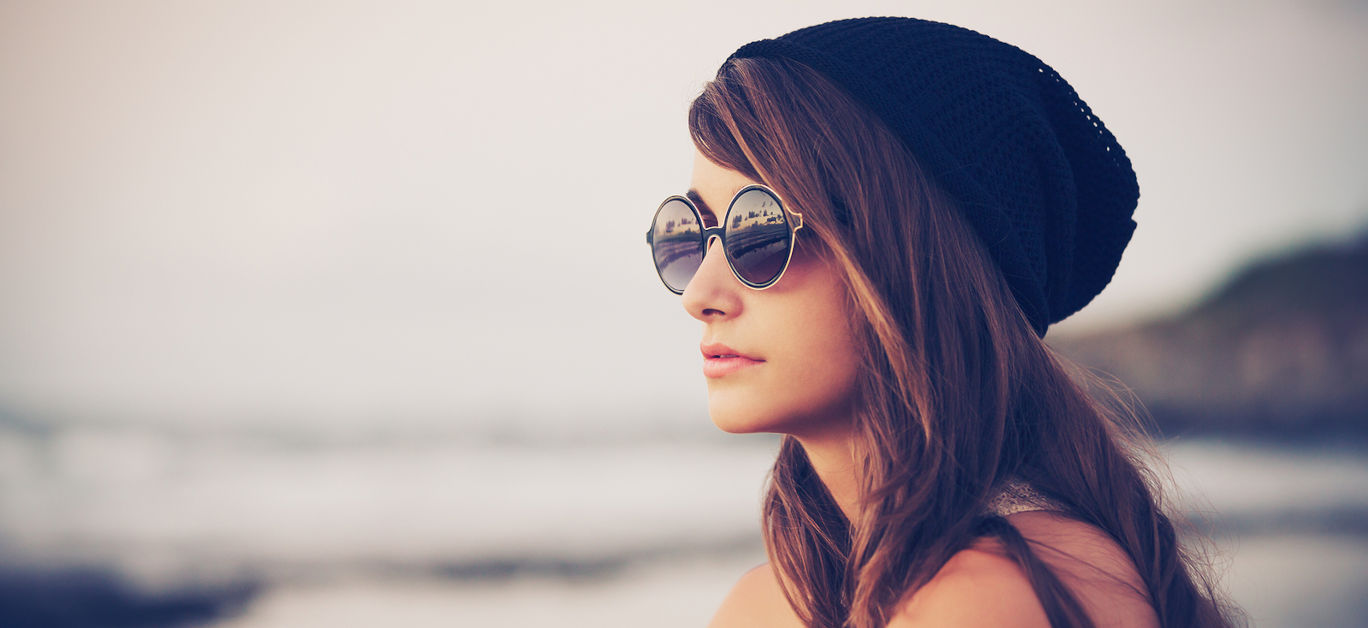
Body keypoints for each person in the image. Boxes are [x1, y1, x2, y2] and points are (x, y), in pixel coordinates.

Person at [645, 17, 1239, 628]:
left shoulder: (982, 598)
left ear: (913, 259)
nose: (700, 294)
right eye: (688, 235)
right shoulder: (774, 604)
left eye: (759, 231)